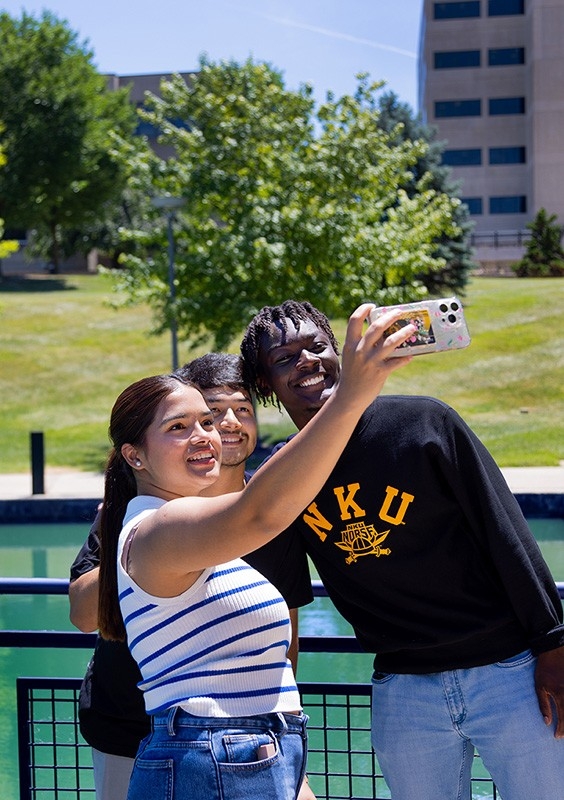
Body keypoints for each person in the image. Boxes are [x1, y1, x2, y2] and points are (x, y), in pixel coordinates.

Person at [240, 299, 564, 800]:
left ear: (341, 352)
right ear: (265, 384)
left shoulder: (424, 423)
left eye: (316, 346)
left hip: (508, 673)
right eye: (284, 358)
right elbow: (282, 599)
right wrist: (278, 708)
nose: (304, 361)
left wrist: (555, 646)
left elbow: (507, 533)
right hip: (404, 688)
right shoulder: (283, 477)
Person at [95, 305, 414, 800]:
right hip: (211, 755)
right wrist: (350, 395)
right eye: (178, 428)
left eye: (205, 422)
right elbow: (260, 513)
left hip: (255, 752)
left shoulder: (194, 531)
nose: (204, 435)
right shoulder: (156, 527)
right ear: (135, 456)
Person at [69, 353, 312, 800]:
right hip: (139, 725)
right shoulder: (140, 520)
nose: (224, 426)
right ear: (135, 455)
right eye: (207, 414)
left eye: (240, 411)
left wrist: (276, 737)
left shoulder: (274, 522)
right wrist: (149, 547)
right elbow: (85, 614)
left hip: (253, 741)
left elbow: (285, 641)